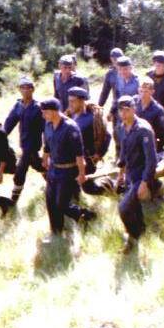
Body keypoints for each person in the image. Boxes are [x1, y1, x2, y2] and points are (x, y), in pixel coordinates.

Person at [40, 98, 96, 240]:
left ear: (54, 112)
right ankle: (56, 232)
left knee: (62, 204)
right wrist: (45, 159)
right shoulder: (48, 124)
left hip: (68, 171)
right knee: (50, 201)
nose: (43, 115)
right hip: (53, 169)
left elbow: (79, 155)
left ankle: (85, 216)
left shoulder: (71, 128)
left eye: (45, 112)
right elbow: (47, 145)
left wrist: (82, 174)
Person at [115, 96, 159, 253]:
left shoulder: (143, 129)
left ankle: (132, 240)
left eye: (127, 110)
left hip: (141, 175)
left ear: (134, 109)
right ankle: (140, 233)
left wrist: (145, 183)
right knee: (134, 208)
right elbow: (123, 153)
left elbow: (151, 160)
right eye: (121, 110)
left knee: (123, 208)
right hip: (130, 174)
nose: (124, 113)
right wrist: (120, 174)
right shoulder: (121, 127)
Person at [3, 77, 45, 204]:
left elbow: (46, 128)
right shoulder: (18, 106)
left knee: (20, 172)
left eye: (28, 88)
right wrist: (0, 137)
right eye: (23, 88)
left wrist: (49, 148)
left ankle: (13, 201)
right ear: (19, 90)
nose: (26, 90)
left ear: (32, 89)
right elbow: (9, 123)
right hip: (24, 144)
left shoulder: (38, 107)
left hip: (33, 145)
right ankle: (54, 180)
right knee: (37, 165)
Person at [66, 87, 113, 195]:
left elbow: (107, 136)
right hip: (72, 158)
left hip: (87, 160)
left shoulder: (92, 119)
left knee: (88, 189)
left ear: (81, 101)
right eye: (69, 101)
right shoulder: (71, 115)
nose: (70, 104)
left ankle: (110, 187)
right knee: (69, 184)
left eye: (73, 101)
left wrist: (99, 154)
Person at [134, 77, 164, 153]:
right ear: (138, 90)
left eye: (146, 91)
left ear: (152, 92)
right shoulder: (133, 103)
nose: (143, 94)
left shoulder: (158, 109)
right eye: (141, 91)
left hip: (148, 143)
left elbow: (161, 132)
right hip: (133, 141)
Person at [111, 56, 140, 122]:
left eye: (125, 69)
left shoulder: (137, 81)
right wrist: (112, 111)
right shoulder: (119, 79)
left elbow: (140, 101)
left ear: (131, 68)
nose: (122, 72)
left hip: (133, 115)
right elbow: (116, 96)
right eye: (120, 69)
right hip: (121, 113)